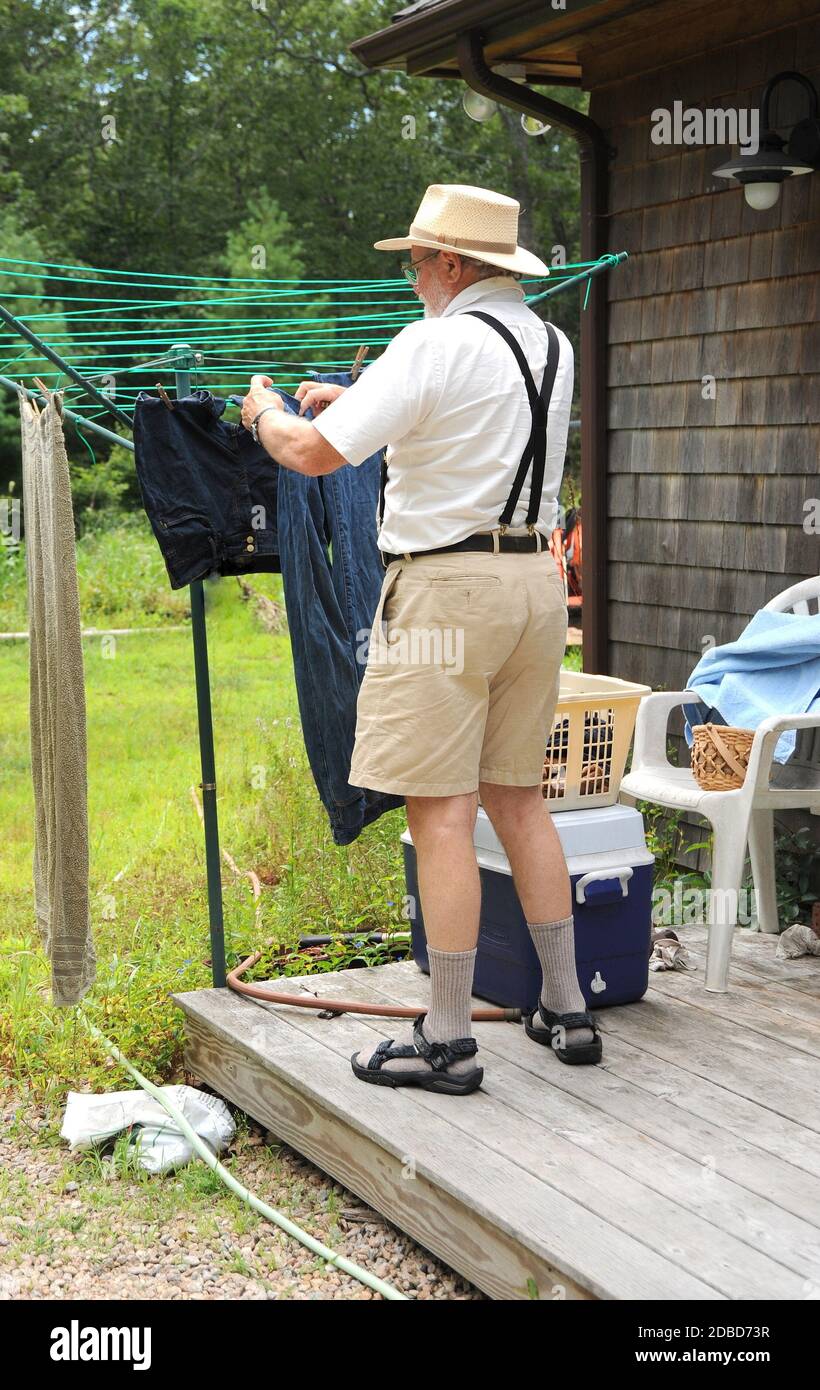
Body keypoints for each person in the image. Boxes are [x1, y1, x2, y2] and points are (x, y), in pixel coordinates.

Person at [241, 183, 602, 1096]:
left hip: (444, 592)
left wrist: (266, 413)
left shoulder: (433, 341)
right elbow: (470, 420)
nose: (409, 275)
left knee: (439, 807)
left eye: (415, 259)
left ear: (450, 263)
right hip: (534, 587)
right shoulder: (552, 344)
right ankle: (566, 1006)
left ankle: (444, 1039)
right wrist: (358, 396)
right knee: (518, 800)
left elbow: (312, 455)